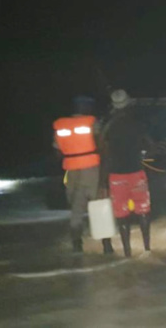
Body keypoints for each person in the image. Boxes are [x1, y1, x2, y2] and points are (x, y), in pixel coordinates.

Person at [52, 96, 112, 254]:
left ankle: (77, 245)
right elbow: (101, 144)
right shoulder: (92, 122)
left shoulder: (60, 125)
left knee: (76, 208)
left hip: (71, 170)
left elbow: (57, 153)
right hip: (91, 168)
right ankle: (106, 245)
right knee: (98, 205)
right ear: (86, 108)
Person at [100, 89, 154, 257]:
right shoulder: (137, 123)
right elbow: (153, 147)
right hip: (136, 173)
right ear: (128, 103)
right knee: (143, 211)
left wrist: (102, 182)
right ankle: (147, 249)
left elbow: (104, 154)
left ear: (114, 106)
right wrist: (142, 155)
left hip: (116, 176)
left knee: (122, 216)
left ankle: (127, 253)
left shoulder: (108, 126)